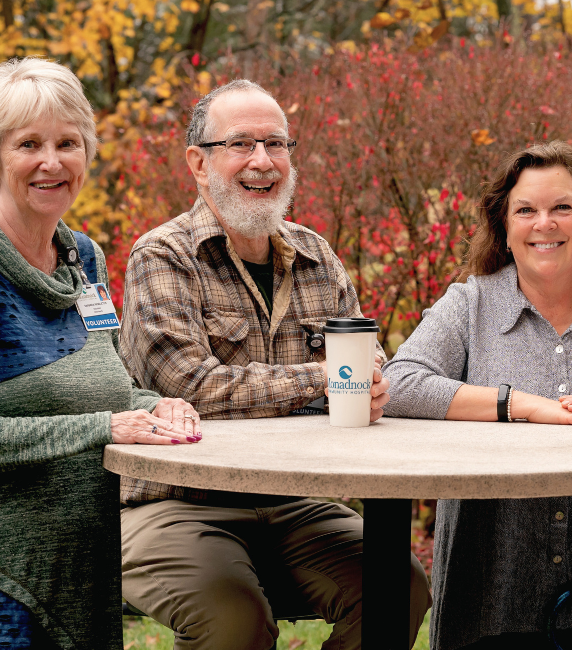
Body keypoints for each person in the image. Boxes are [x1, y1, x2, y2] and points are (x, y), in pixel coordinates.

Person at [0, 58, 200, 650]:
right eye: (28, 143)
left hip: (79, 567)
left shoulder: (81, 258)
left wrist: (159, 405)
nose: (51, 161)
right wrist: (101, 428)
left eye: (69, 143)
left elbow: (105, 391)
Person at [117, 79, 430, 650]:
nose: (262, 161)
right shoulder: (162, 255)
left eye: (276, 144)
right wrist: (329, 380)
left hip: (296, 500)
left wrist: (367, 380)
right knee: (235, 619)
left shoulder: (316, 255)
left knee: (400, 588)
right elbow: (193, 386)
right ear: (198, 162)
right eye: (240, 144)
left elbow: (369, 356)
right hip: (179, 502)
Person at [383, 141, 572, 650]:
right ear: (505, 227)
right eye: (525, 210)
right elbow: (400, 384)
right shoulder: (471, 304)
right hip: (490, 593)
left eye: (562, 208)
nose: (543, 223)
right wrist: (521, 406)